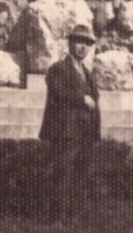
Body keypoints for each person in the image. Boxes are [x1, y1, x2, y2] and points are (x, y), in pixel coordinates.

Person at [39, 23, 102, 221]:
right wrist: (82, 98)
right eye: (78, 42)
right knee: (63, 175)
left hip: (85, 133)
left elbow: (95, 100)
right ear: (70, 44)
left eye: (87, 44)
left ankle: (74, 218)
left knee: (80, 176)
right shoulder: (58, 69)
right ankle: (57, 219)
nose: (82, 47)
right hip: (65, 132)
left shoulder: (87, 73)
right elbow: (59, 92)